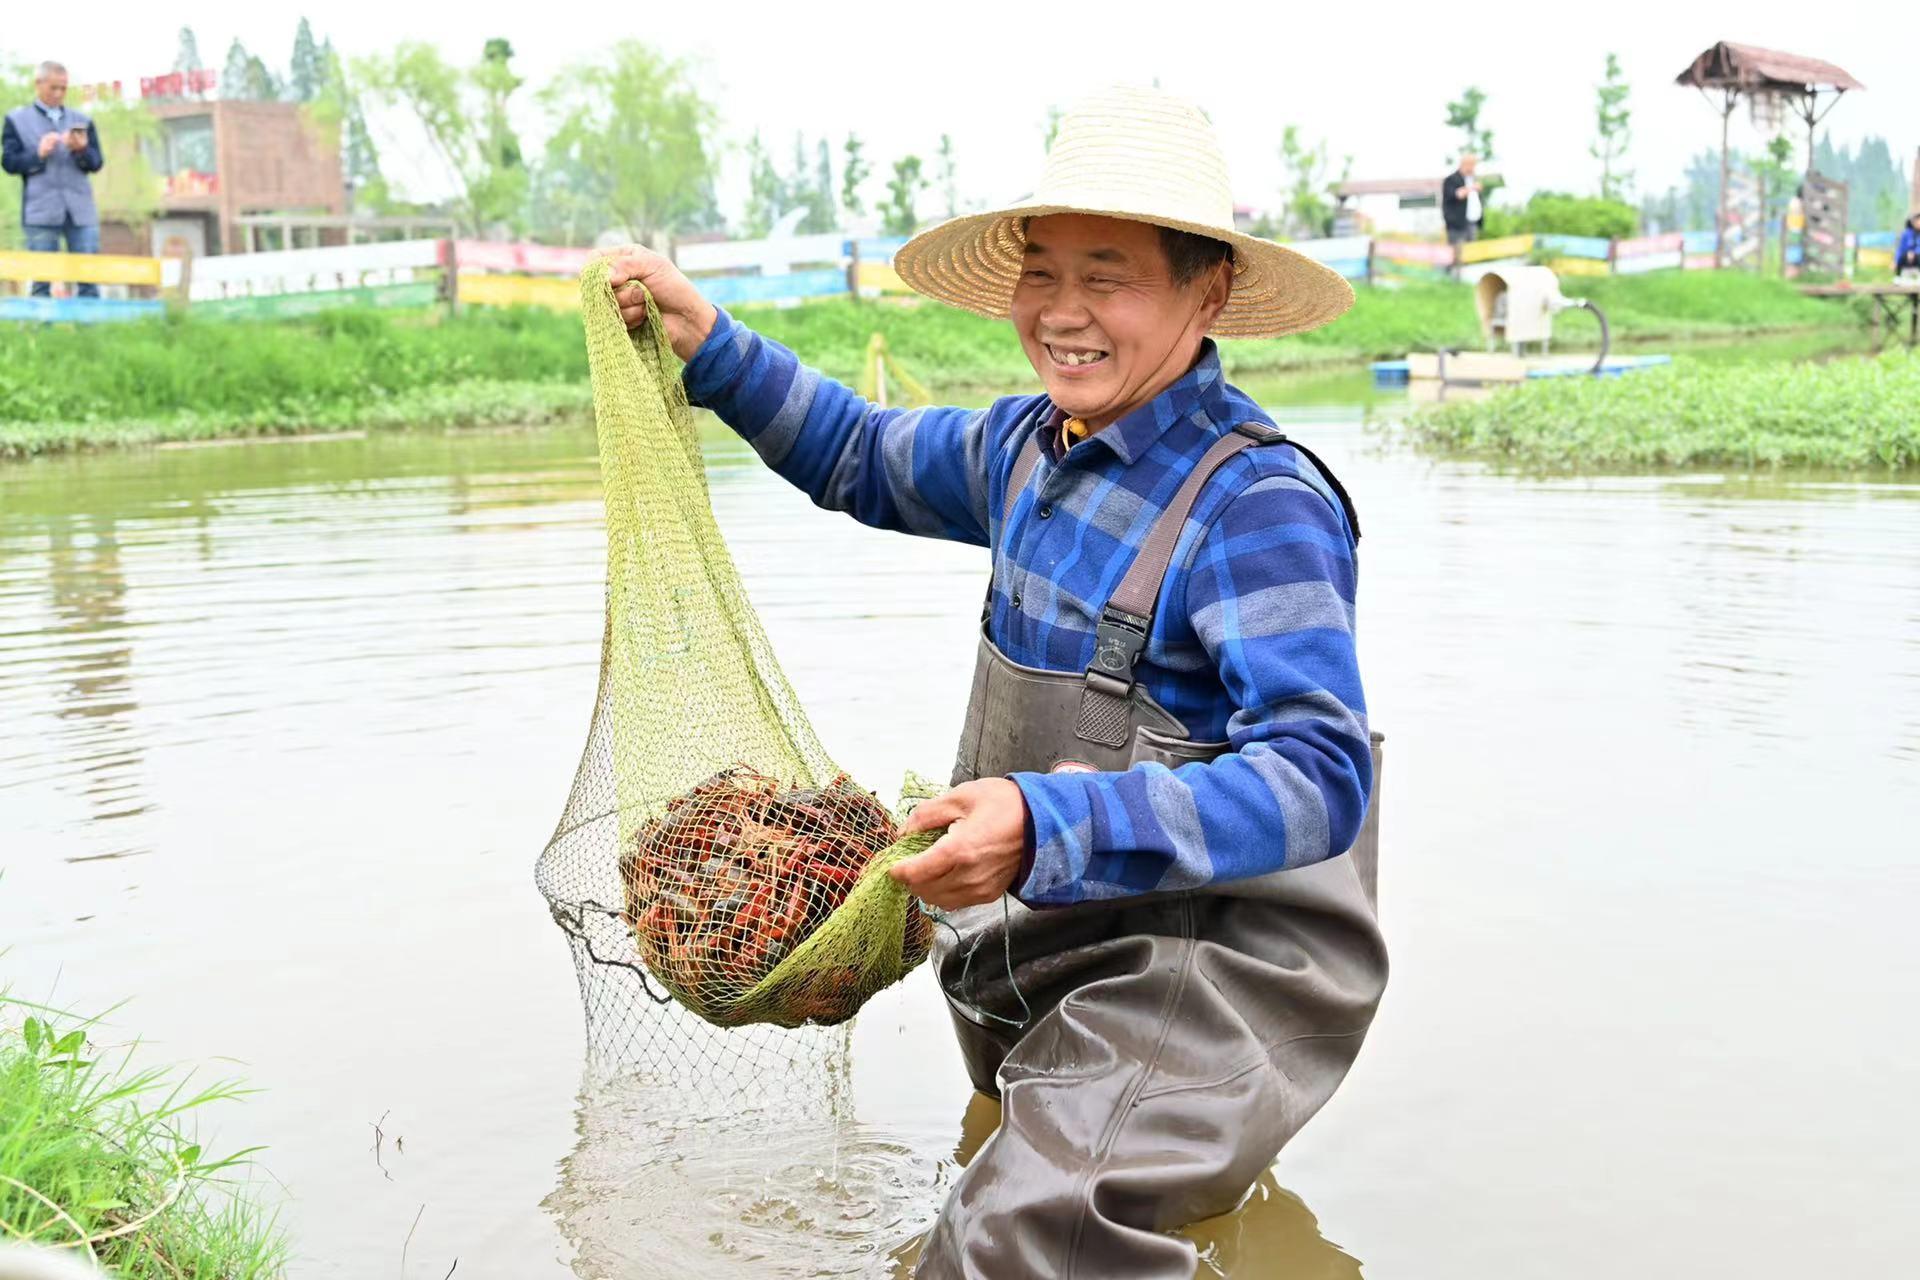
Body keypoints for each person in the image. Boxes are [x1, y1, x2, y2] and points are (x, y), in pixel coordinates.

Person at [607, 84, 1387, 1280]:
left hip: (1203, 974)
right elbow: (858, 452)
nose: (1063, 313)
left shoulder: (1257, 504)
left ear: (1207, 289)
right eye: (1042, 271)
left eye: (1108, 274)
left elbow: (1319, 772)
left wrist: (1045, 821)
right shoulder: (1022, 450)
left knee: (1008, 1239)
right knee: (1072, 1201)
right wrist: (713, 345)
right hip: (1035, 945)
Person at [2, 61, 105, 299]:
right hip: (40, 210)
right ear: (38, 84)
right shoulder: (16, 120)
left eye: (63, 88)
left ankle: (89, 333)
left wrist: (81, 150)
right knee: (41, 279)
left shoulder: (83, 121)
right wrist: (37, 154)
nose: (58, 94)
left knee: (88, 277)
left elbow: (97, 162)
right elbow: (9, 163)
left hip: (81, 210)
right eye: (53, 88)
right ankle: (40, 333)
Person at [1443, 152, 1483, 246]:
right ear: (1465, 164)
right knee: (1458, 255)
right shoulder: (1451, 180)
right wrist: (1472, 188)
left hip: (1473, 223)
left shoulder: (1472, 179)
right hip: (1457, 226)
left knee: (1472, 254)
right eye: (1472, 165)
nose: (1473, 168)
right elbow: (1457, 194)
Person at [1896, 211, 1920, 280]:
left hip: (1917, 256)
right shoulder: (1906, 234)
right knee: (1901, 257)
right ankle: (1899, 277)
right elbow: (1900, 248)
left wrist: (1914, 252)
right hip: (1907, 256)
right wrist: (1895, 261)